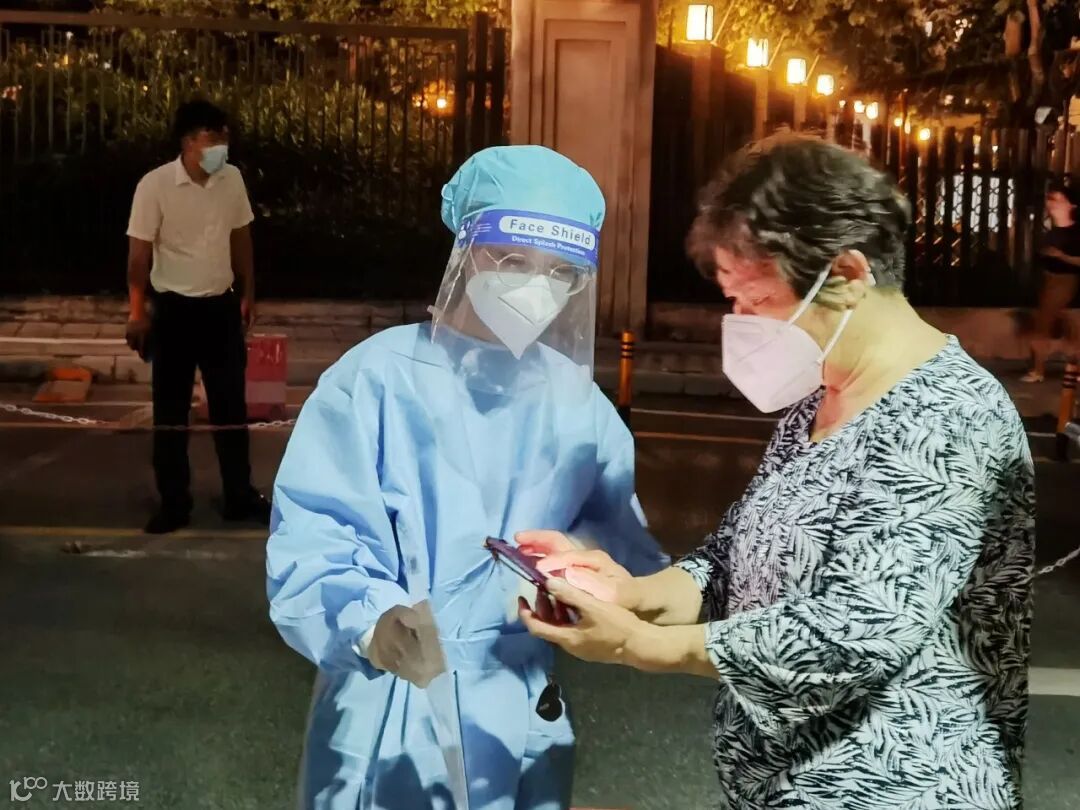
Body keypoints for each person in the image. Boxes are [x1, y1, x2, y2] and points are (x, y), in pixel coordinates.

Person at [519, 136, 1036, 810]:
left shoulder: (949, 416)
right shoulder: (821, 397)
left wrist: (644, 647)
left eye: (757, 298)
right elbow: (731, 560)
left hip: (900, 789)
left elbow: (854, 632)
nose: (740, 323)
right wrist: (629, 594)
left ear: (847, 273)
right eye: (732, 299)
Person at [266, 145, 667, 810]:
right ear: (466, 251)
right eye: (512, 260)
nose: (535, 286)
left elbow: (621, 551)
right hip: (394, 698)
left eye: (561, 271)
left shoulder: (577, 404)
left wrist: (595, 587)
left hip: (520, 702)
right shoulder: (377, 379)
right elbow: (317, 533)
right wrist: (373, 622)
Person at [125, 100, 271, 535]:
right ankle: (174, 502)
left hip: (220, 309)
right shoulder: (155, 185)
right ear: (188, 141)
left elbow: (241, 237)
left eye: (225, 135)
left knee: (231, 408)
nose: (222, 144)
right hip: (173, 311)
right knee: (171, 412)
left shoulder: (232, 180)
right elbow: (138, 255)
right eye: (213, 136)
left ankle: (239, 494)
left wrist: (248, 292)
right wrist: (137, 311)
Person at [1023, 182, 1080, 382]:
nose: (1052, 203)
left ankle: (1039, 371)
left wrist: (1061, 256)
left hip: (1067, 281)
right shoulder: (1051, 233)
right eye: (1050, 199)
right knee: (1053, 327)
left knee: (1048, 325)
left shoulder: (1076, 232)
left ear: (1071, 205)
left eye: (1058, 199)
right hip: (1050, 281)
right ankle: (1040, 369)